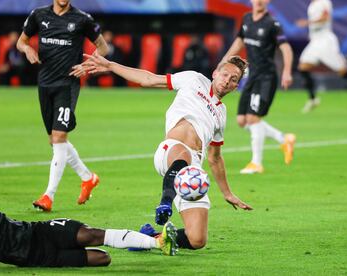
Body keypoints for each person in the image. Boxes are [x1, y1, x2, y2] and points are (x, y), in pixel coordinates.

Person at [77, 52, 253, 251]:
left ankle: (149, 238)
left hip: (193, 175)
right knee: (184, 156)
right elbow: (149, 79)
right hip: (171, 150)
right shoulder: (193, 79)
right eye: (225, 75)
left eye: (233, 79)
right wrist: (110, 65)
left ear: (236, 86)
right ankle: (165, 203)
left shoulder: (221, 114)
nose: (227, 80)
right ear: (215, 73)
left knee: (197, 239)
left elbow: (214, 158)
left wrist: (227, 193)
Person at [0, 183, 178, 272]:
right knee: (103, 259)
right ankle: (139, 242)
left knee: (91, 234)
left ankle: (156, 242)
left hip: (40, 231)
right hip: (36, 257)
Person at [16, 0, 109, 211]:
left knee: (59, 137)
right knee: (55, 140)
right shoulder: (38, 15)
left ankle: (48, 196)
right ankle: (88, 177)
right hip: (44, 83)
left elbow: (103, 47)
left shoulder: (82, 19)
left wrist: (87, 65)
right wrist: (27, 50)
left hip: (67, 85)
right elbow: (21, 41)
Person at [220, 0, 296, 174]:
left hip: (266, 78)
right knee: (242, 120)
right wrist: (223, 62)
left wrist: (287, 71)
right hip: (251, 76)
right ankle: (284, 139)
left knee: (253, 119)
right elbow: (239, 43)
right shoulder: (246, 18)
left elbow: (286, 49)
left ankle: (256, 163)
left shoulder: (272, 23)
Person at [296, 0, 347, 113]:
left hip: (326, 41)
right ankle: (313, 99)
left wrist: (307, 22)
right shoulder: (312, 4)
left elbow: (325, 17)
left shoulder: (324, 2)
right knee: (303, 67)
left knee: (342, 71)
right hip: (315, 41)